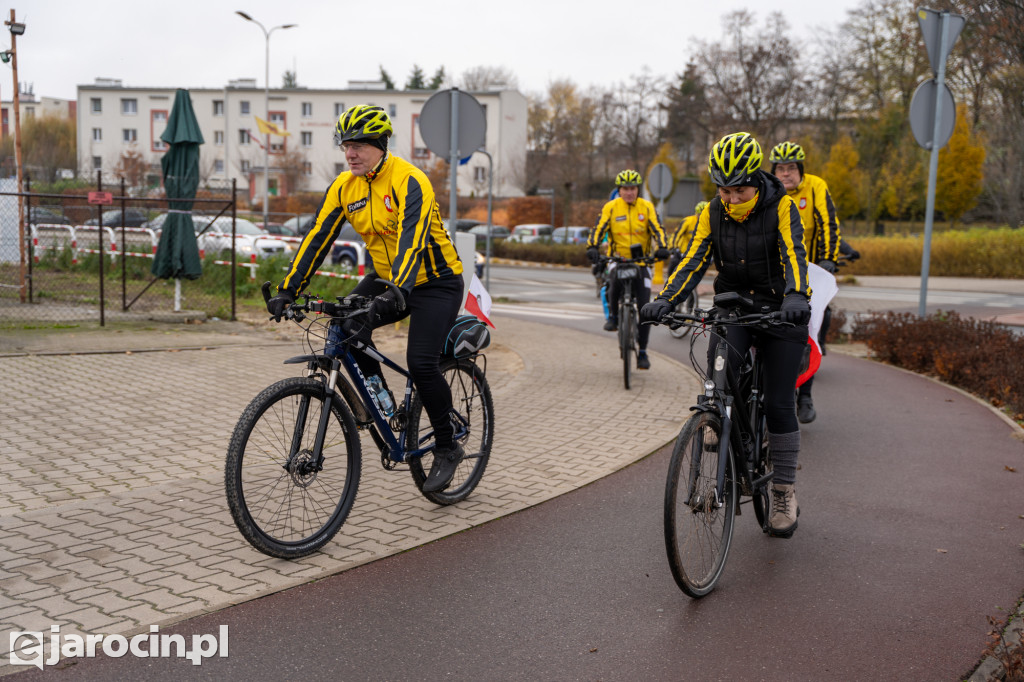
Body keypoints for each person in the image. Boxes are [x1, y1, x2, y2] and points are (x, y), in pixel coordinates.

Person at [266, 105, 466, 494]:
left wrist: (399, 294)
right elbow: (317, 239)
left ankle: (447, 445)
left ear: (380, 144)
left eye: (358, 145)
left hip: (434, 281)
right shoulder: (345, 186)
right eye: (346, 145)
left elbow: (412, 244)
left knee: (421, 363)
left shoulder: (410, 181)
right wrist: (289, 289)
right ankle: (387, 408)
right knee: (343, 328)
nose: (350, 153)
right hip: (386, 277)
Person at [640, 132, 811, 538]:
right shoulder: (712, 213)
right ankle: (715, 431)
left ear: (755, 180)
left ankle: (784, 491)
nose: (730, 199)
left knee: (780, 405)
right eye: (723, 190)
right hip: (733, 307)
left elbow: (794, 256)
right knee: (716, 381)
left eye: (738, 190)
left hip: (780, 313)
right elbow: (693, 260)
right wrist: (665, 298)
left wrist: (795, 296)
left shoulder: (782, 208)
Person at [769, 141, 842, 424]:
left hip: (808, 272)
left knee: (808, 330)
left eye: (791, 169)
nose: (785, 174)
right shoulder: (769, 192)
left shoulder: (815, 187)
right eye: (780, 169)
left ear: (800, 170)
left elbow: (828, 224)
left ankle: (806, 394)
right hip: (775, 271)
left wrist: (829, 260)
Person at [586, 169, 669, 370]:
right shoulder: (611, 208)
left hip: (641, 262)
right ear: (619, 190)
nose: (629, 192)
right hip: (619, 259)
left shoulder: (646, 207)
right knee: (613, 286)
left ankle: (642, 352)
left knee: (644, 308)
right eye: (625, 189)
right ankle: (613, 318)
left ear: (637, 189)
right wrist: (592, 247)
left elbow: (658, 229)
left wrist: (663, 247)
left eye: (632, 188)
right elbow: (599, 229)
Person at [667, 200, 709, 278]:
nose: (701, 217)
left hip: (697, 254)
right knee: (672, 268)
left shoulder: (709, 224)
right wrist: (673, 248)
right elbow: (677, 234)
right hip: (682, 252)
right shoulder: (688, 221)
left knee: (694, 275)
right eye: (699, 215)